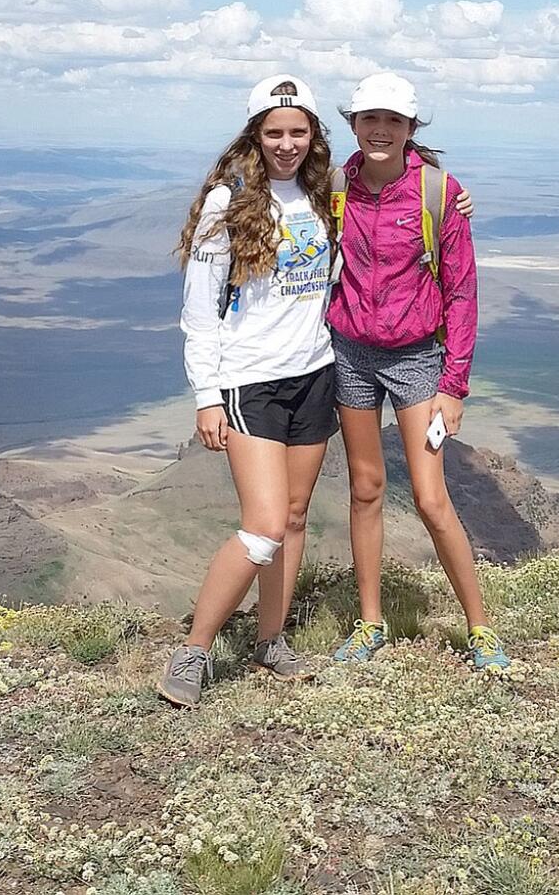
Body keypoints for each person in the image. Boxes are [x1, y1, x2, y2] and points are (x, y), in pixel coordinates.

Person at [159, 74, 339, 707]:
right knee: (263, 525)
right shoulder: (227, 202)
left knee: (293, 518)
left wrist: (454, 200)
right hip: (250, 382)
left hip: (315, 374)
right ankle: (193, 651)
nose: (287, 144)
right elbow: (200, 310)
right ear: (255, 136)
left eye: (298, 131)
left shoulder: (324, 195)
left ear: (314, 135)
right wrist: (207, 393)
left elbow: (391, 177)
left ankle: (271, 641)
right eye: (274, 133)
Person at [327, 72, 511, 672]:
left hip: (414, 360)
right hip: (350, 350)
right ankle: (371, 623)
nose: (380, 131)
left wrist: (454, 386)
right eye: (369, 119)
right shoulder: (333, 187)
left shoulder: (438, 194)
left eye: (394, 122)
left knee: (432, 499)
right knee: (365, 488)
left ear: (410, 129)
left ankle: (480, 629)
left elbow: (462, 293)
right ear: (353, 124)